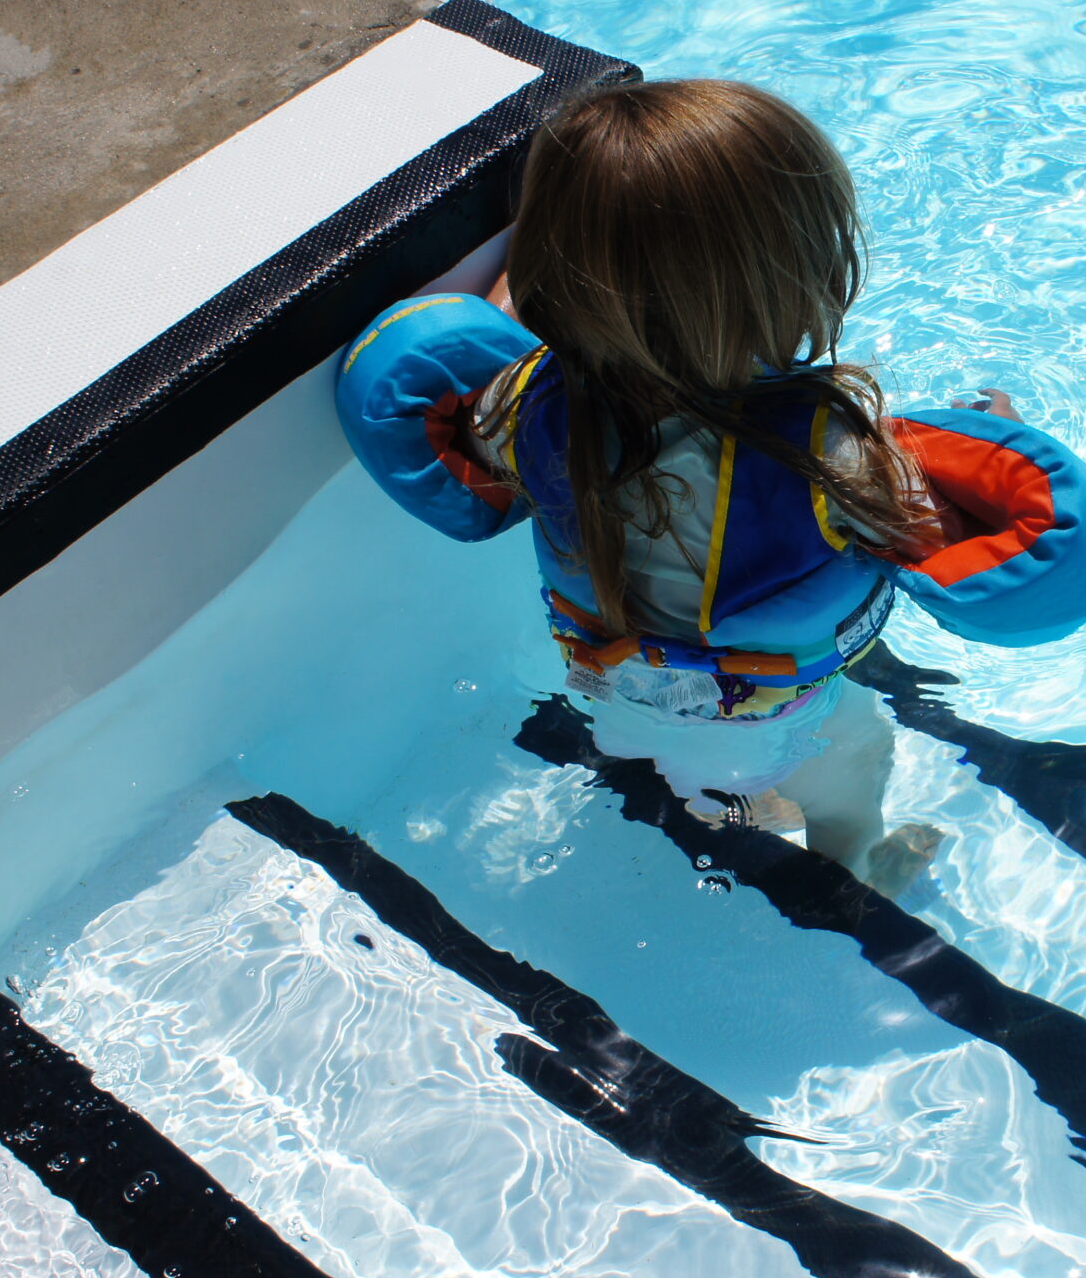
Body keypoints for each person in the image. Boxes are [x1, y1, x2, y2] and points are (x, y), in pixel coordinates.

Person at [367, 78, 1006, 891]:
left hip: (612, 697)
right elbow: (936, 526)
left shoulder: (522, 407)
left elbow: (511, 346)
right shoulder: (832, 453)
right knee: (857, 766)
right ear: (799, 273)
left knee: (700, 765)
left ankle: (724, 801)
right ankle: (858, 881)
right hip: (780, 720)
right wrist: (994, 435)